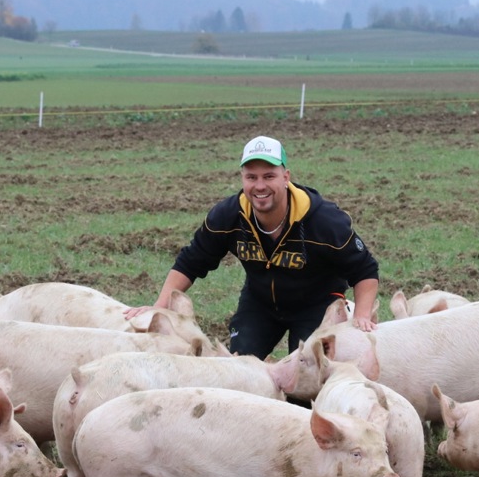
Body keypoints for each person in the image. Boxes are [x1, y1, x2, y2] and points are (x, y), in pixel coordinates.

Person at [125, 135, 379, 359]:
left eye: (269, 176)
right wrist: (159, 305)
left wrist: (363, 316)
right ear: (242, 179)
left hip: (317, 304)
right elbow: (191, 261)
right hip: (260, 303)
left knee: (305, 375)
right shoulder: (228, 216)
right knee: (239, 365)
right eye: (252, 177)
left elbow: (364, 269)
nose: (260, 186)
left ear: (285, 177)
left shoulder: (324, 220)